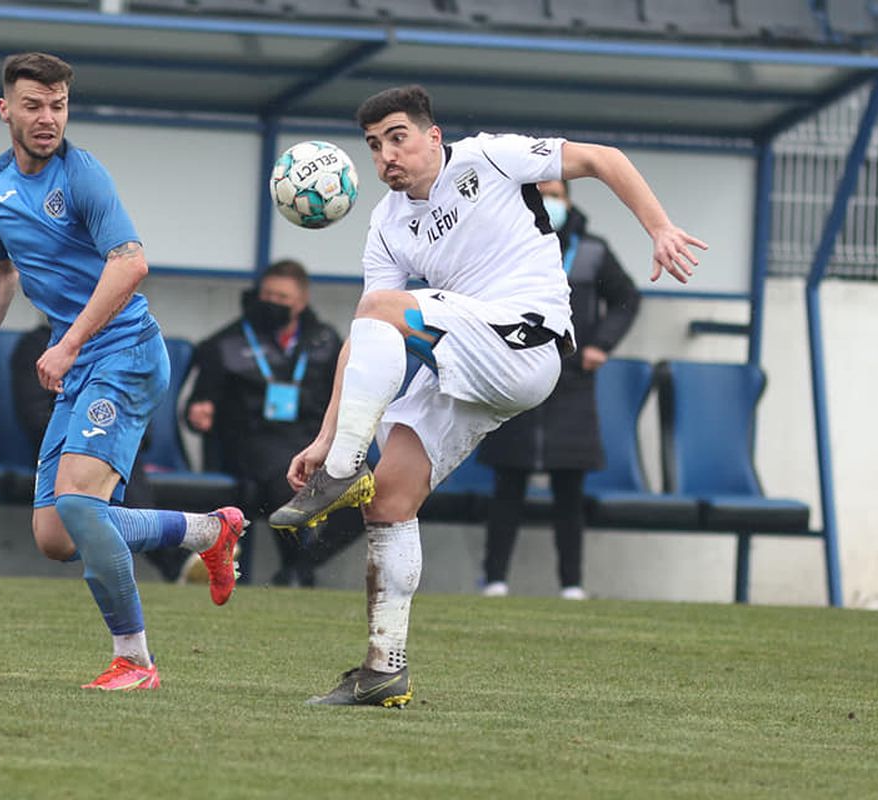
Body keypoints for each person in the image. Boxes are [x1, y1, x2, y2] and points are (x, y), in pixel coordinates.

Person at [268, 85, 705, 707]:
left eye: (397, 137)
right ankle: (383, 668)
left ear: (432, 136)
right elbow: (366, 331)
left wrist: (658, 229)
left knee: (382, 312)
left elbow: (604, 158)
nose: (386, 155)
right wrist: (322, 433)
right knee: (390, 496)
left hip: (529, 338)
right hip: (471, 360)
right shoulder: (388, 225)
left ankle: (343, 468)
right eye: (373, 146)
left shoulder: (488, 156)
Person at [0, 52, 245, 692]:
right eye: (33, 104)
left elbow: (131, 264)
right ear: (6, 110)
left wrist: (71, 341)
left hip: (125, 353)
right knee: (55, 534)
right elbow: (0, 271)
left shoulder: (84, 177)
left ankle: (135, 660)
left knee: (81, 503)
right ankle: (208, 531)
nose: (47, 117)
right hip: (80, 361)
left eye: (57, 105)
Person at [477, 179, 641, 601]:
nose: (551, 201)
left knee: (570, 491)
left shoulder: (593, 251)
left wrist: (601, 346)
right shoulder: (508, 245)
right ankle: (494, 580)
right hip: (518, 378)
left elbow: (627, 298)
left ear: (568, 200)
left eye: (557, 194)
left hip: (572, 387)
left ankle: (572, 584)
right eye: (542, 193)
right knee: (507, 486)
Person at [186, 259, 359, 587]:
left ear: (302, 301)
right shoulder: (226, 343)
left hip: (313, 439)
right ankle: (297, 571)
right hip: (253, 444)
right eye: (268, 295)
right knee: (287, 480)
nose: (273, 304)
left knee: (370, 490)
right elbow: (198, 406)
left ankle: (301, 566)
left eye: (283, 299)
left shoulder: (325, 342)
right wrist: (199, 414)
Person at [11, 321, 191, 582]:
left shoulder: (121, 341)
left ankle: (182, 557)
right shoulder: (36, 346)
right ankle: (196, 533)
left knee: (109, 471)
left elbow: (135, 408)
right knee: (56, 539)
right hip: (57, 446)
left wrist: (117, 437)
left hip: (114, 445)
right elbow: (33, 414)